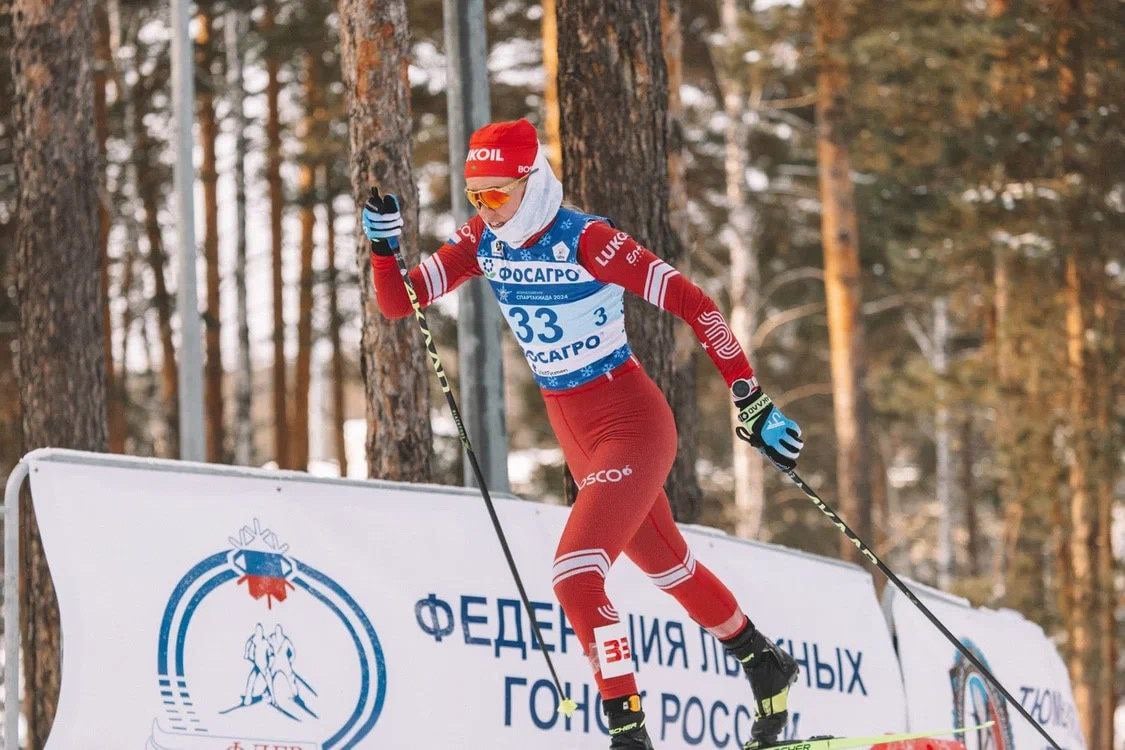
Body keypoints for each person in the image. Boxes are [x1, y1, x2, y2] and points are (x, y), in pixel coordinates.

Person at [362, 118, 804, 750]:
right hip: (576, 432)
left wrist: (750, 396)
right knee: (669, 566)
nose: (485, 210)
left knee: (575, 574)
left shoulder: (586, 240)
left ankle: (628, 732)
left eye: (496, 194)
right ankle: (764, 661)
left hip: (631, 421)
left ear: (529, 181)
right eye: (474, 196)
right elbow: (401, 301)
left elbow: (695, 303)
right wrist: (384, 251)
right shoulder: (483, 241)